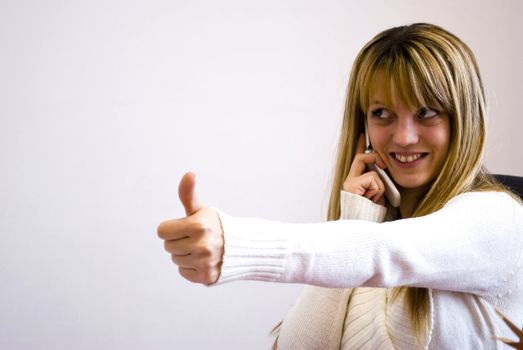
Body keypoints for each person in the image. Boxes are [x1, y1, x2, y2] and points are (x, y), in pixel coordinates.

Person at [157, 23, 523, 349]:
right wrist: (356, 216)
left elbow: (384, 254)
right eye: (382, 113)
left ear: (463, 120)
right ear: (363, 126)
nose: (404, 136)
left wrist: (234, 244)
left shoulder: (498, 217)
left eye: (427, 112)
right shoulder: (359, 244)